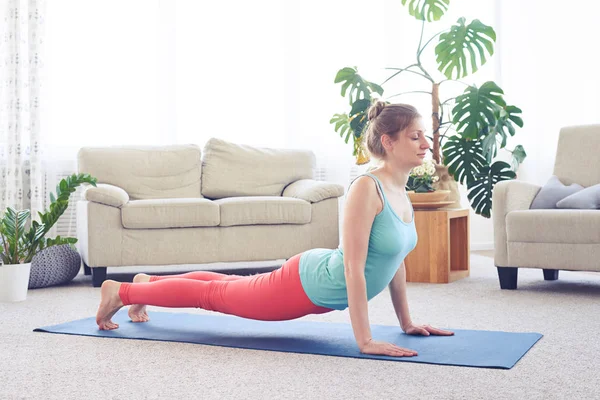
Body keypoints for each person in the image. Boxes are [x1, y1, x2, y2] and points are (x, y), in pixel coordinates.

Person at [95, 101, 454, 357]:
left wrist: (406, 323)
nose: (426, 144)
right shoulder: (366, 187)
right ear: (389, 142)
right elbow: (353, 269)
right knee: (215, 297)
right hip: (307, 285)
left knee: (228, 286)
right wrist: (365, 340)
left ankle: (147, 285)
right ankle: (121, 292)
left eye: (425, 136)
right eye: (415, 136)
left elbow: (395, 262)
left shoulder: (400, 190)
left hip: (315, 275)